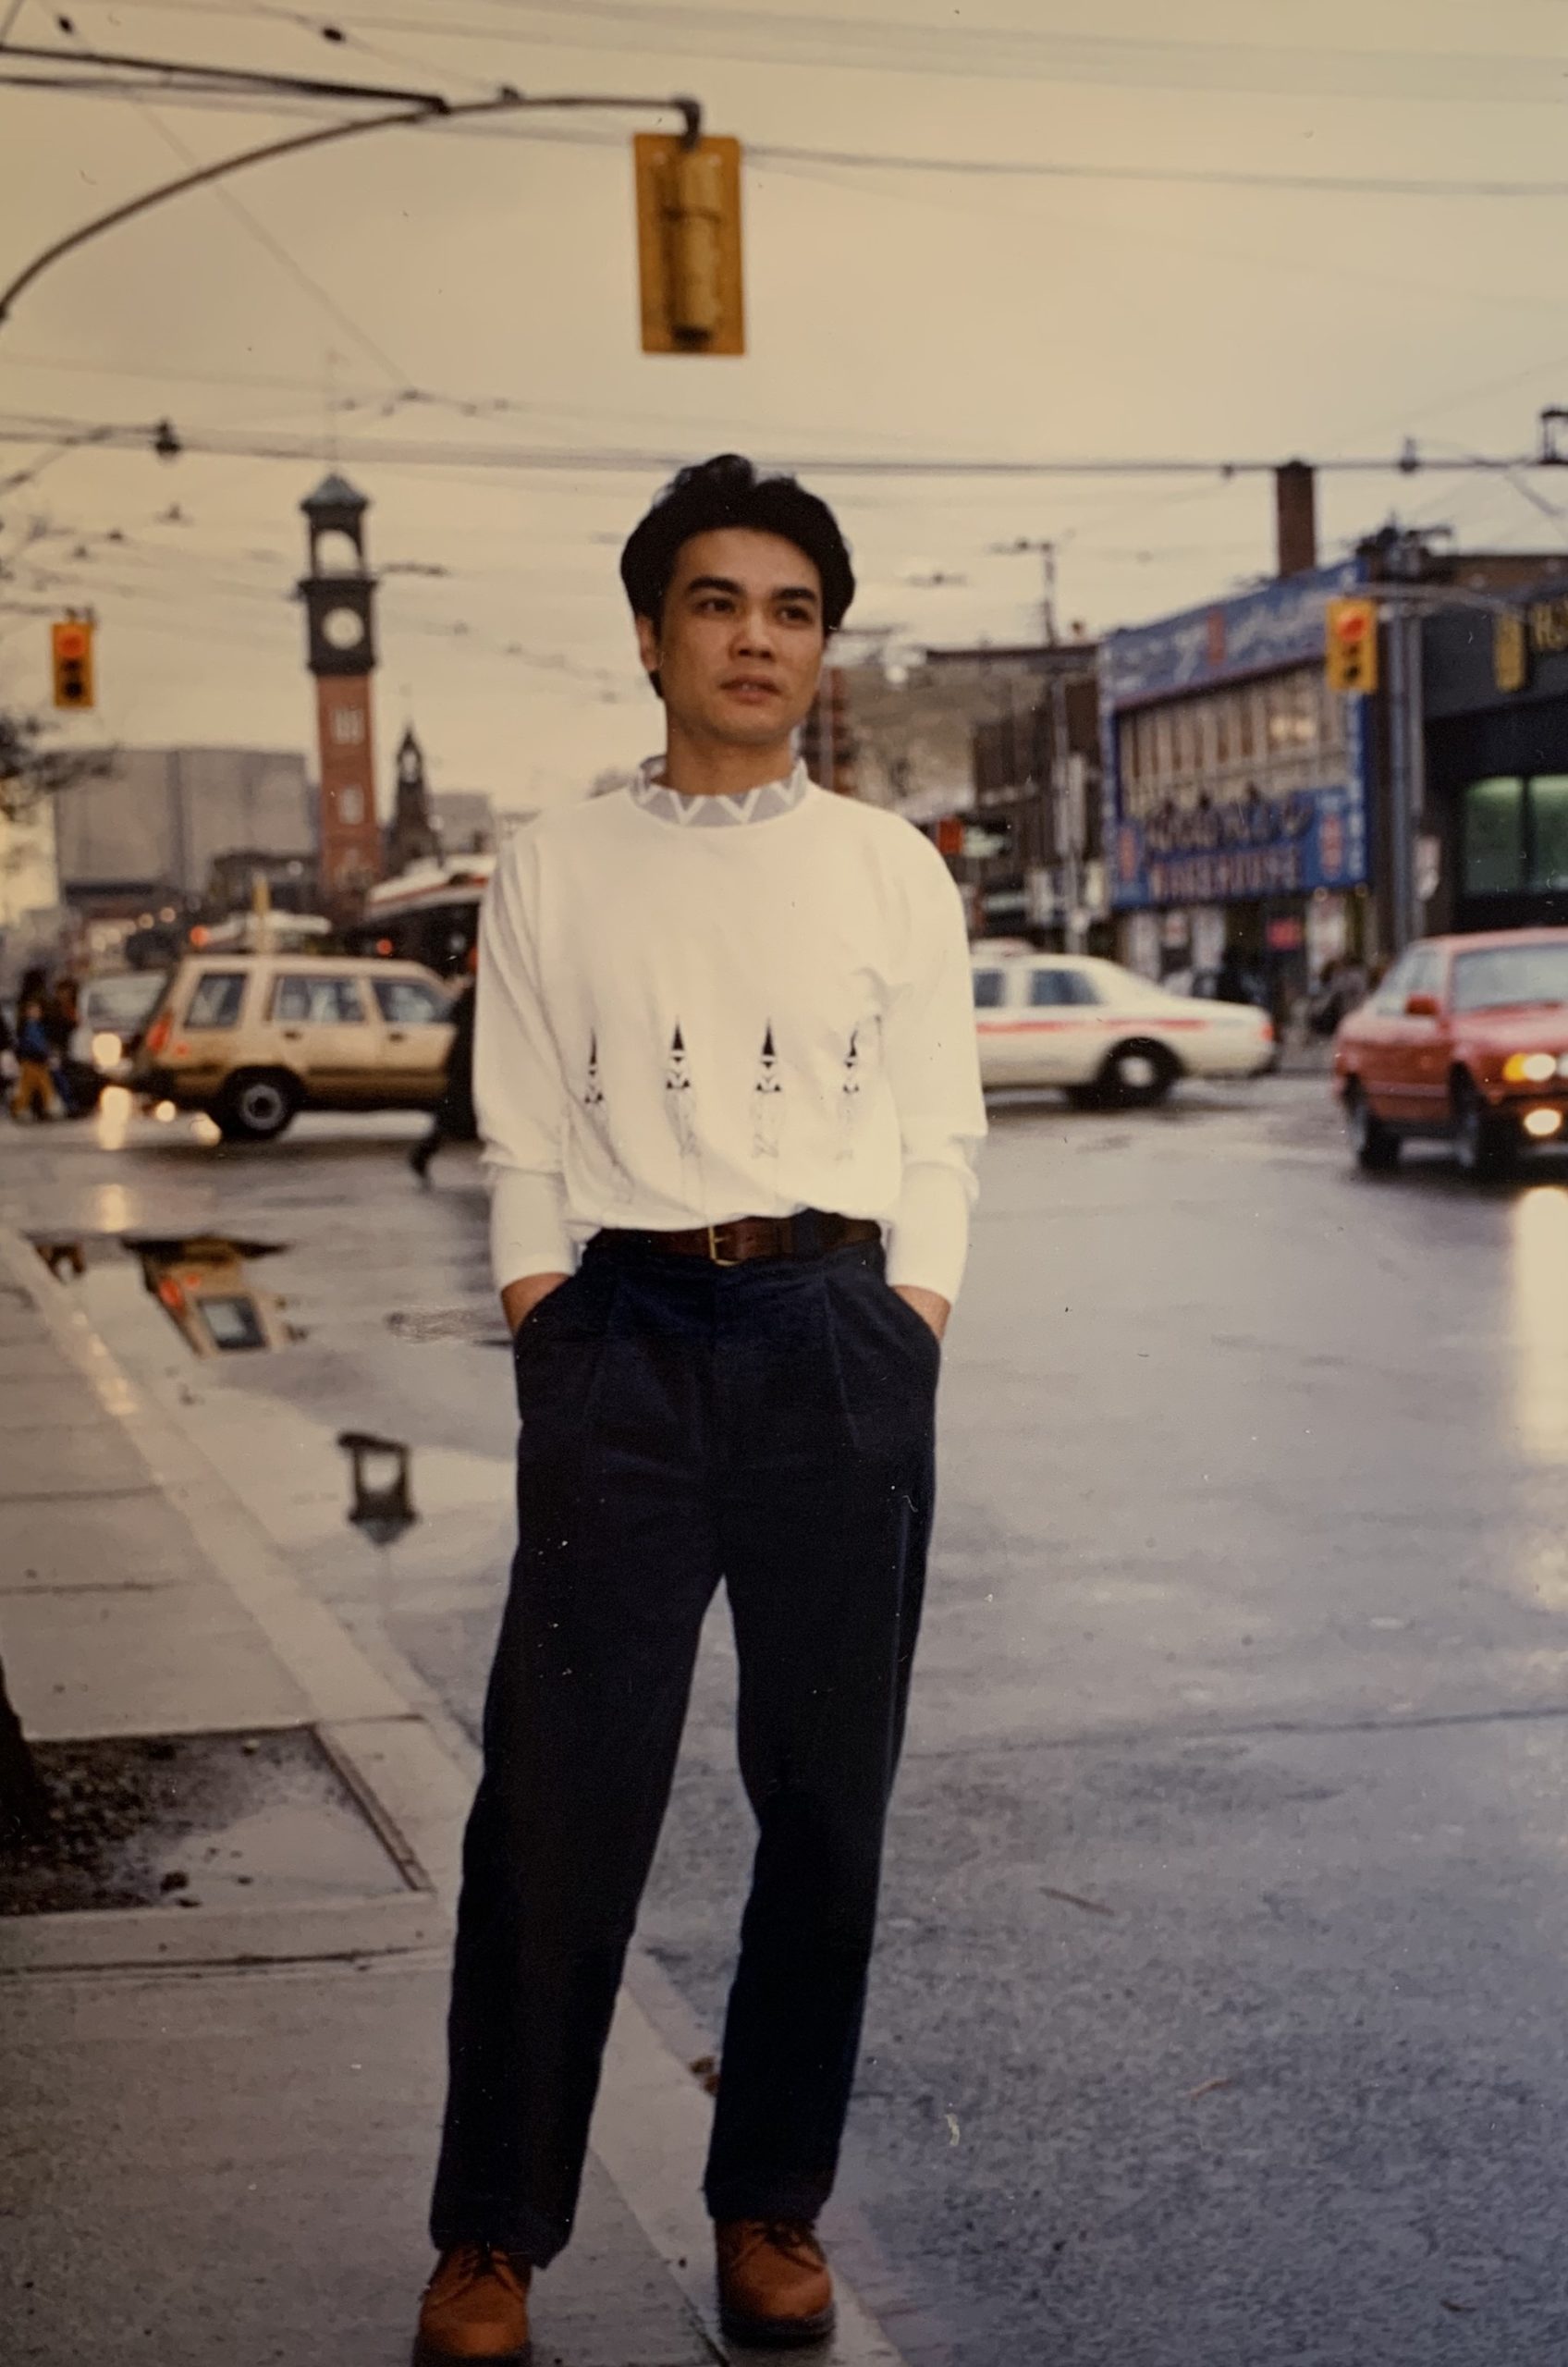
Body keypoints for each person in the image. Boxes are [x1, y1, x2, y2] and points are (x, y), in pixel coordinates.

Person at [414, 455, 986, 2365]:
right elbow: (512, 1125)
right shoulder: (554, 863)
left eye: (794, 610)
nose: (758, 640)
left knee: (824, 1804)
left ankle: (770, 2209)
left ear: (821, 643)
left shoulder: (887, 867)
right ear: (652, 632)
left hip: (834, 1326)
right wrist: (543, 1318)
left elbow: (939, 1133)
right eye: (721, 604)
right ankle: (489, 2235)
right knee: (558, 1806)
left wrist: (903, 1311)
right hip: (625, 1334)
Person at [409, 946, 479, 1182]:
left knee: (455, 1116)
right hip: (469, 1063)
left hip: (466, 1062)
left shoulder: (473, 993)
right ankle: (422, 1155)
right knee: (456, 1115)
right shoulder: (478, 994)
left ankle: (423, 1154)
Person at [11, 991, 55, 1121]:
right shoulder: (30, 1027)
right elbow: (35, 1043)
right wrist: (46, 1052)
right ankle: (20, 1108)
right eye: (33, 1010)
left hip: (37, 1060)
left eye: (37, 1010)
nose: (36, 1013)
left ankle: (44, 1108)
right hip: (32, 1060)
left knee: (42, 1086)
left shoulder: (36, 1027)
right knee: (29, 1087)